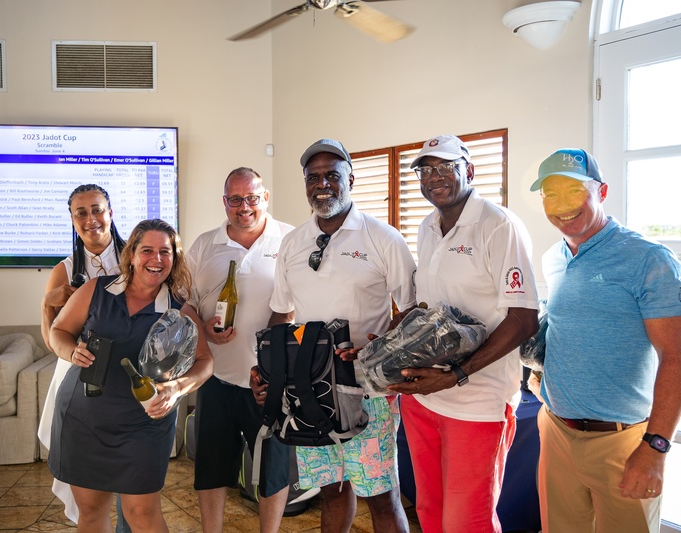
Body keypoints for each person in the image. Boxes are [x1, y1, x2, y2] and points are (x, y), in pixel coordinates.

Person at [253, 138, 417, 533]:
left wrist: (377, 350)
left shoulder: (383, 238)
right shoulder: (293, 243)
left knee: (382, 496)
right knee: (331, 491)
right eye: (313, 177)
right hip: (310, 390)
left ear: (351, 180)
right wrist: (267, 370)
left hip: (369, 392)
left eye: (332, 175)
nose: (322, 184)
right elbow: (281, 312)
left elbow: (413, 311)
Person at [528, 148, 681, 533]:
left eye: (575, 191)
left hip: (623, 441)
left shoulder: (649, 259)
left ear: (601, 192)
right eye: (551, 194)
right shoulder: (554, 258)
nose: (562, 205)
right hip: (556, 431)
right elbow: (567, 330)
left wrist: (655, 447)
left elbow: (679, 357)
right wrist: (545, 379)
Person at [388, 134, 539, 533]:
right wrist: (390, 343)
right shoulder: (427, 226)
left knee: (467, 523)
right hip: (424, 398)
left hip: (477, 402)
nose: (434, 177)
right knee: (430, 512)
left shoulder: (498, 225)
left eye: (445, 167)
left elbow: (524, 319)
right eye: (425, 170)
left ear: (468, 171)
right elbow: (430, 308)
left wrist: (455, 374)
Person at [48, 219, 214, 533]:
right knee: (91, 511)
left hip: (143, 424)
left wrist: (177, 388)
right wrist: (70, 351)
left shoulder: (179, 309)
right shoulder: (96, 290)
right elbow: (58, 332)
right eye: (147, 250)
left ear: (174, 259)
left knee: (142, 514)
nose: (156, 259)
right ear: (132, 255)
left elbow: (205, 363)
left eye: (165, 252)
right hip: (84, 417)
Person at [186, 167, 294, 532]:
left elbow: (302, 303)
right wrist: (202, 329)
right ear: (224, 202)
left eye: (251, 198)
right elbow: (184, 301)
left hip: (271, 382)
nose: (244, 207)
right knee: (211, 468)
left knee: (273, 470)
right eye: (235, 199)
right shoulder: (204, 245)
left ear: (265, 198)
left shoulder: (290, 240)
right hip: (215, 377)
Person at [37, 184, 130, 529]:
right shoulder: (63, 270)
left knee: (132, 484)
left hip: (127, 374)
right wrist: (46, 305)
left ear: (110, 213)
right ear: (72, 220)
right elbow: (52, 339)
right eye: (81, 212)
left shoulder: (135, 258)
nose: (91, 219)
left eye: (97, 209)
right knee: (90, 487)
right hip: (80, 375)